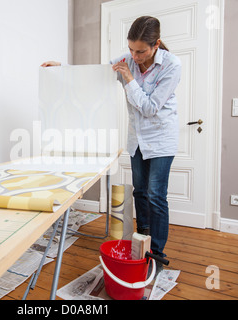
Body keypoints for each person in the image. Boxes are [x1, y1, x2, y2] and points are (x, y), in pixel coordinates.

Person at [42, 16, 181, 274]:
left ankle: (157, 254)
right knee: (140, 192)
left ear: (156, 45)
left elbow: (150, 108)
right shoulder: (128, 59)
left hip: (161, 139)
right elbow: (94, 74)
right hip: (137, 140)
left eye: (140, 51)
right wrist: (61, 67)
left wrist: (129, 79)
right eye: (130, 49)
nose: (134, 56)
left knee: (156, 197)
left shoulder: (172, 65)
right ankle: (142, 244)